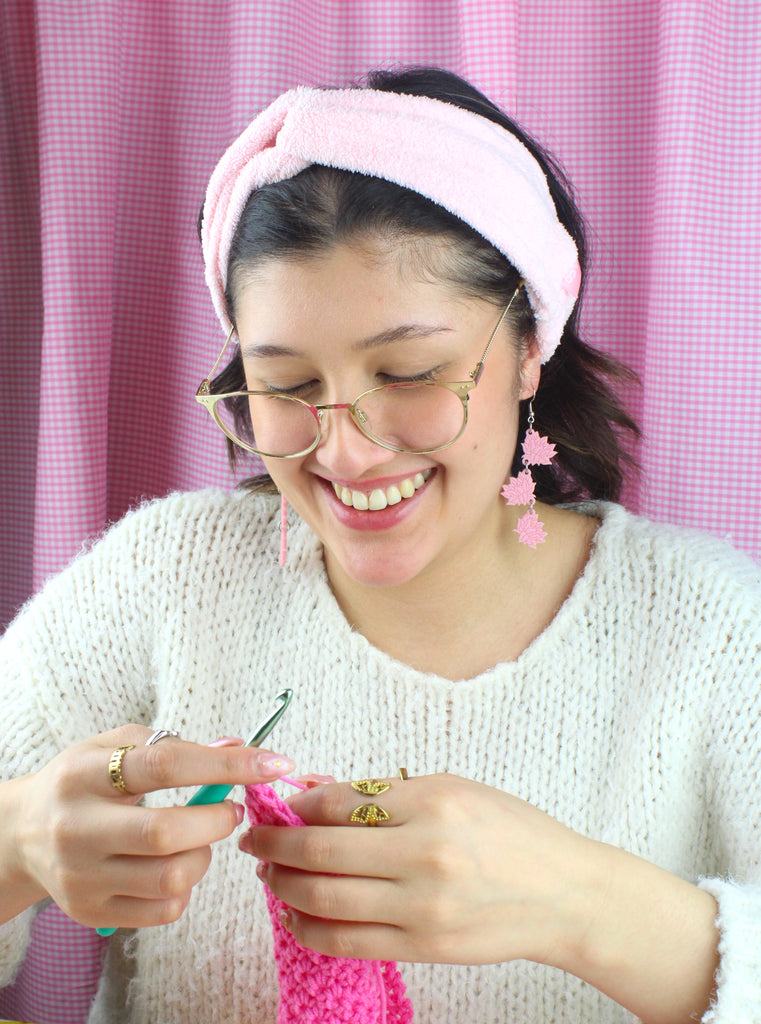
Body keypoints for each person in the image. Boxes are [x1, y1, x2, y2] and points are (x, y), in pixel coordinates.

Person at [0, 66, 759, 1024]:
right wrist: (19, 846)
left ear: (531, 348)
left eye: (409, 371)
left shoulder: (716, 633)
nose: (346, 449)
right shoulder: (163, 579)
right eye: (284, 385)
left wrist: (577, 905)